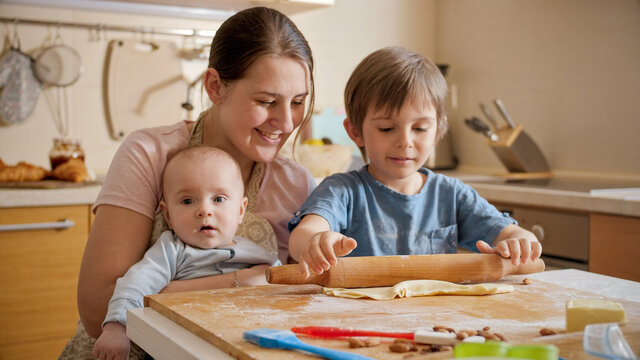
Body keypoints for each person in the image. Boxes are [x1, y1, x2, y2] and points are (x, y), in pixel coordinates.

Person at [60, 6, 315, 359]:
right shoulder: (148, 153)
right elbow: (97, 309)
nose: (286, 122)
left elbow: (295, 298)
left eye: (298, 102)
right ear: (214, 86)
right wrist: (241, 283)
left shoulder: (297, 183)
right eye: (266, 101)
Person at [288, 46, 542, 278]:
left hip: (432, 323)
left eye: (420, 128)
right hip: (360, 319)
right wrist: (316, 241)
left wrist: (519, 241)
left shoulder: (452, 195)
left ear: (438, 132)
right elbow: (304, 235)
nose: (405, 141)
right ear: (355, 131)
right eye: (387, 128)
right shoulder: (342, 191)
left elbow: (512, 233)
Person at [93, 146, 279, 359]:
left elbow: (282, 285)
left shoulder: (258, 253)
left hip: (240, 343)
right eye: (188, 201)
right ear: (168, 215)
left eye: (218, 199)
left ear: (240, 210)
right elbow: (136, 283)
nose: (204, 210)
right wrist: (116, 329)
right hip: (179, 347)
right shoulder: (172, 250)